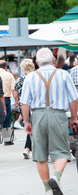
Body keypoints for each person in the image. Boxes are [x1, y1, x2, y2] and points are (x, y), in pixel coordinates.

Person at [20, 48, 78, 195]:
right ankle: (56, 176)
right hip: (58, 115)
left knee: (40, 155)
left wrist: (27, 121)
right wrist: (74, 118)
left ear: (37, 62)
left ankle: (47, 189)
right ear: (53, 60)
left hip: (38, 116)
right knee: (62, 153)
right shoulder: (64, 74)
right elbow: (73, 99)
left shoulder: (30, 77)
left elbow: (24, 103)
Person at [14, 59, 35, 159]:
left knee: (30, 126)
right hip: (35, 106)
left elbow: (16, 93)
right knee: (35, 128)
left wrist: (16, 101)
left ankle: (27, 148)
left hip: (23, 106)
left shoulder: (19, 80)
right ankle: (29, 148)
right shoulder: (36, 77)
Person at [0, 60, 16, 145]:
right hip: (6, 99)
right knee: (6, 119)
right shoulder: (9, 75)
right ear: (5, 67)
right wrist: (17, 101)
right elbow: (13, 90)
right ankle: (7, 140)